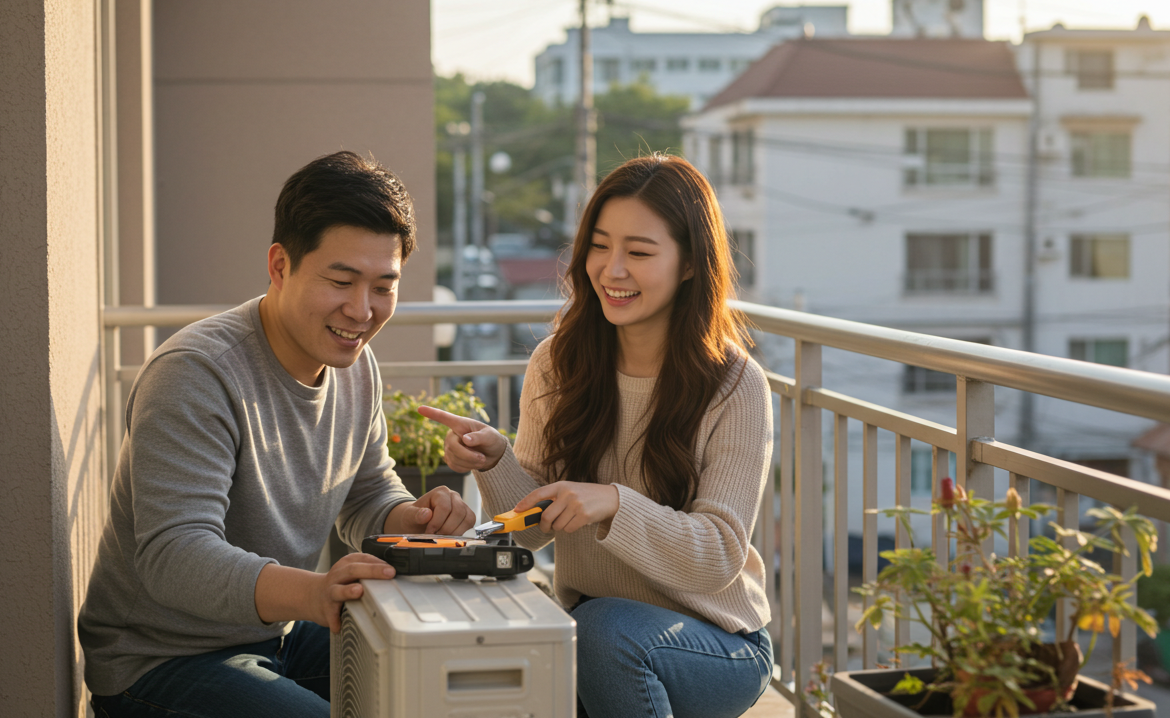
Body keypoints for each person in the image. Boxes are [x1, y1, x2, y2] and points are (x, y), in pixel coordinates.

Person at [79, 151, 476, 718]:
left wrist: (412, 518)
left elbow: (366, 494)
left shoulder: (354, 365)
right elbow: (174, 555)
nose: (362, 311)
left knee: (445, 680)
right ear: (280, 265)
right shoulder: (197, 372)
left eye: (383, 286)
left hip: (278, 635)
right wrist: (315, 593)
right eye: (340, 281)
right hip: (162, 660)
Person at [423, 154, 774, 718]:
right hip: (595, 638)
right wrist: (496, 459)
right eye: (599, 245)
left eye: (638, 252)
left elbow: (719, 555)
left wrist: (612, 505)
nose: (612, 269)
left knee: (599, 631)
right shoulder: (557, 364)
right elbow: (529, 533)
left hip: (715, 643)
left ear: (689, 264)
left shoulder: (734, 384)